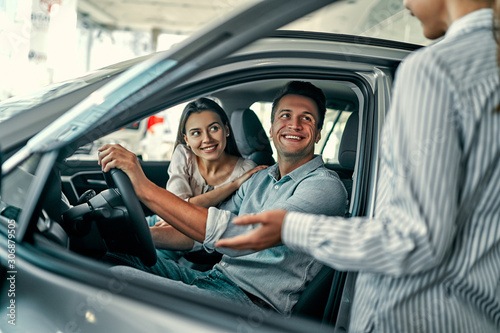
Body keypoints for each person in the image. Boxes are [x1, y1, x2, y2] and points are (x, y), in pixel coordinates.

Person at [216, 1, 500, 332]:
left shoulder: (435, 68)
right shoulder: (487, 65)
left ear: (318, 132)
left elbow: (413, 242)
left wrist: (290, 227)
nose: (405, 2)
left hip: (415, 316)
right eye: (285, 116)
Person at [97, 81, 348, 315]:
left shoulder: (325, 188)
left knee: (120, 278)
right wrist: (133, 235)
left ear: (317, 134)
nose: (294, 125)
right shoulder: (259, 179)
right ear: (271, 129)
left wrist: (143, 188)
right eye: (285, 116)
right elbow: (198, 237)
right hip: (216, 280)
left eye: (306, 119)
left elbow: (247, 235)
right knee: (111, 255)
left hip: (251, 304)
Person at [148, 97, 265, 257]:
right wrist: (232, 185)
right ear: (187, 139)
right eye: (196, 133)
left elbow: (181, 212)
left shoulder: (246, 170)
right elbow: (175, 208)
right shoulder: (184, 154)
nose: (207, 139)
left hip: (193, 240)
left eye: (214, 128)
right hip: (162, 221)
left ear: (227, 130)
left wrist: (176, 210)